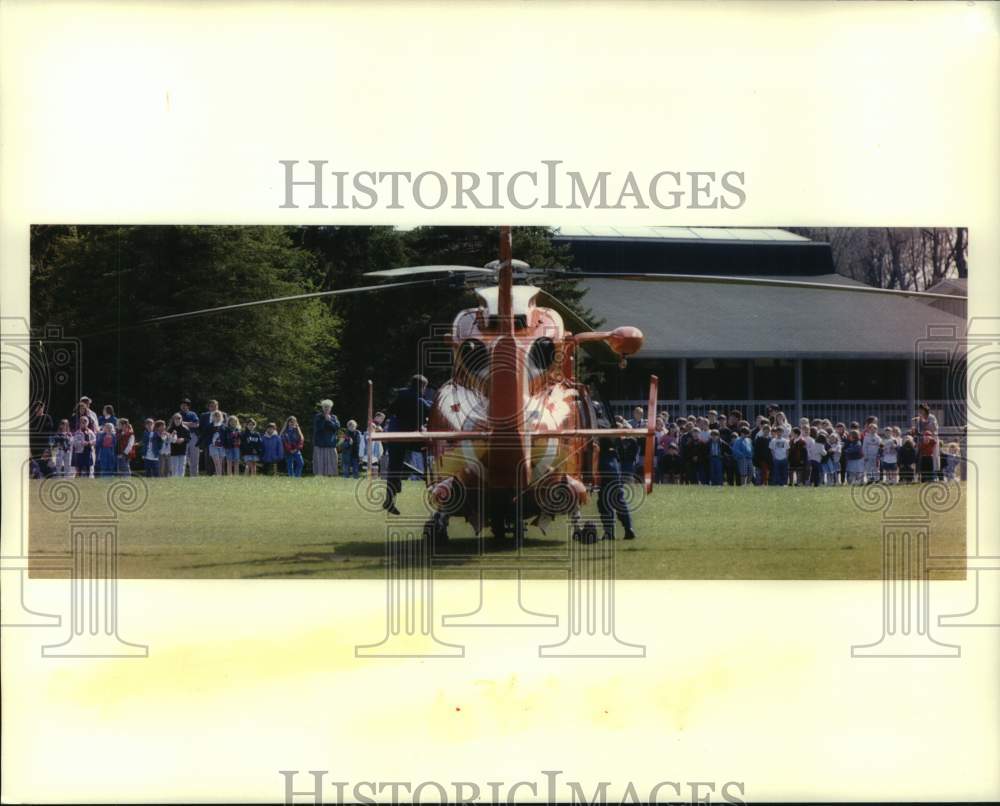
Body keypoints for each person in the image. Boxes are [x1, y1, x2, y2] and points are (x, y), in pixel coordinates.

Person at [383, 374, 432, 515]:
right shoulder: (419, 401)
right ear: (422, 386)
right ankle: (428, 477)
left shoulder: (400, 395)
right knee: (428, 449)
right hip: (408, 437)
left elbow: (390, 410)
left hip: (395, 436)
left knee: (394, 468)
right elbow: (429, 411)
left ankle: (389, 499)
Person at [594, 403, 637, 541]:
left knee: (604, 500)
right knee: (618, 498)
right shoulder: (606, 422)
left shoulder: (596, 424)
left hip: (604, 462)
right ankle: (628, 528)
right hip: (613, 463)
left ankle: (609, 532)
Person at [312, 399, 340, 476]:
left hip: (330, 443)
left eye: (328, 407)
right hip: (320, 443)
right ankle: (319, 474)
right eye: (325, 407)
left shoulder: (334, 417)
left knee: (332, 460)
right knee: (320, 460)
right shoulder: (318, 417)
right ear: (322, 408)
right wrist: (325, 420)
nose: (326, 408)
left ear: (331, 408)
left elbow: (337, 427)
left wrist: (330, 421)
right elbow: (318, 428)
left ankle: (331, 474)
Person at [199, 400, 226, 475]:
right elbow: (200, 428)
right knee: (208, 458)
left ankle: (221, 475)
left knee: (221, 459)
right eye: (211, 406)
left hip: (221, 442)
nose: (213, 407)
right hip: (209, 441)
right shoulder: (204, 415)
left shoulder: (223, 414)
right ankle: (209, 474)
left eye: (215, 406)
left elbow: (226, 428)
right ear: (209, 407)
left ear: (218, 406)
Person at [179, 399, 201, 476]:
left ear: (188, 406)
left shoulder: (192, 414)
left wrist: (182, 423)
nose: (183, 406)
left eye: (185, 405)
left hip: (192, 437)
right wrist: (190, 423)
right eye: (182, 405)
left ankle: (194, 476)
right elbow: (175, 425)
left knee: (194, 458)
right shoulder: (177, 415)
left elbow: (196, 424)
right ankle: (180, 475)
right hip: (181, 437)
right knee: (182, 457)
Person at [167, 413, 191, 477]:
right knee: (174, 467)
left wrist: (183, 439)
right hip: (174, 450)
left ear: (181, 419)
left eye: (179, 418)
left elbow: (189, 438)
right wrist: (174, 439)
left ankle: (181, 480)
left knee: (182, 466)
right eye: (176, 418)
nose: (177, 420)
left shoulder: (185, 428)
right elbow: (167, 439)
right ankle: (174, 479)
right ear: (173, 420)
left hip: (183, 450)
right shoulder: (170, 429)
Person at [205, 409, 226, 475]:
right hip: (212, 446)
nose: (217, 417)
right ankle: (219, 476)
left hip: (221, 447)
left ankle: (218, 476)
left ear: (221, 417)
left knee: (220, 462)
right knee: (216, 462)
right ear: (212, 417)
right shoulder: (209, 426)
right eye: (215, 416)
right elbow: (205, 436)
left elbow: (226, 437)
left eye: (218, 416)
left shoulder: (223, 426)